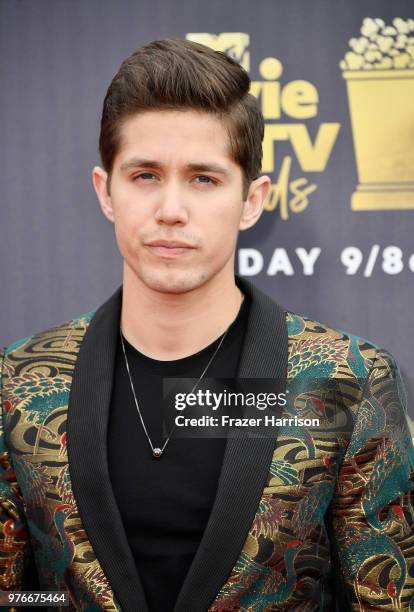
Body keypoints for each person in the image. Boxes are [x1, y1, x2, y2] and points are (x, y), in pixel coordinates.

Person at [0, 37, 413, 612]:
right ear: (106, 192)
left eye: (203, 179)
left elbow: (386, 598)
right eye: (145, 175)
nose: (171, 208)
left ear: (252, 199)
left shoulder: (345, 380)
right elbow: (16, 595)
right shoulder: (18, 384)